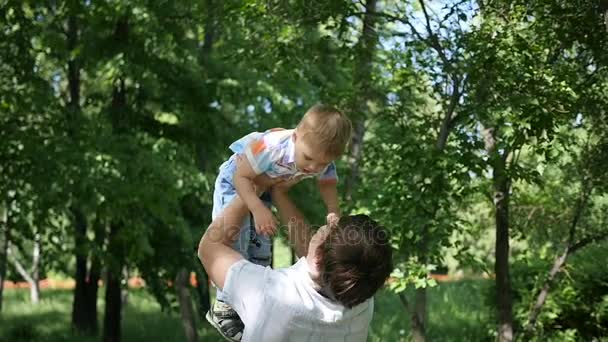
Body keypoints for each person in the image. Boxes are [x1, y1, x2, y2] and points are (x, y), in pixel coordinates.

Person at [207, 104, 352, 340]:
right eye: (308, 158)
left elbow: (327, 184)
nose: (313, 167)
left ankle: (249, 303)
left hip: (264, 189)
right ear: (295, 136)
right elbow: (240, 175)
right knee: (236, 239)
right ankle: (223, 306)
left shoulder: (321, 157)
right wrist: (256, 207)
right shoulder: (271, 146)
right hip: (236, 183)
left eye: (322, 163)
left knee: (261, 244)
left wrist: (333, 210)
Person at [198, 181, 393, 342]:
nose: (327, 224)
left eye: (328, 230)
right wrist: (279, 195)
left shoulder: (272, 295)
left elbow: (209, 250)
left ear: (317, 258)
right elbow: (320, 258)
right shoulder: (361, 297)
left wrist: (250, 189)